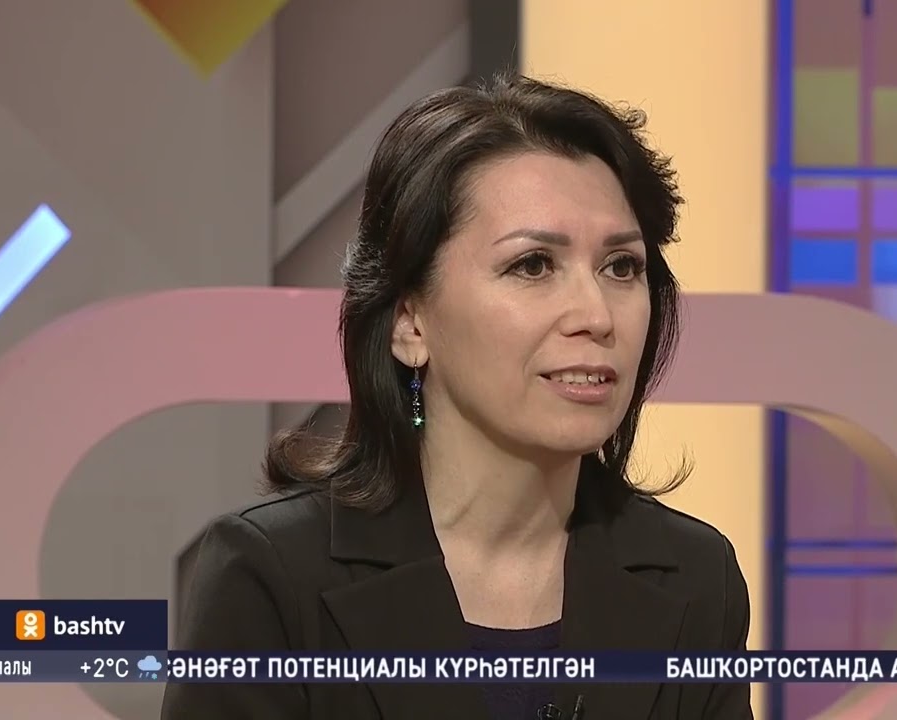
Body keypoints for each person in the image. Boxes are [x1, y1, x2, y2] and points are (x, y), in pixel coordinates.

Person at [161, 73, 752, 720]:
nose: (596, 315)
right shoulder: (272, 576)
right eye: (533, 265)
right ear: (409, 321)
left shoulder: (698, 578)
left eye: (621, 267)